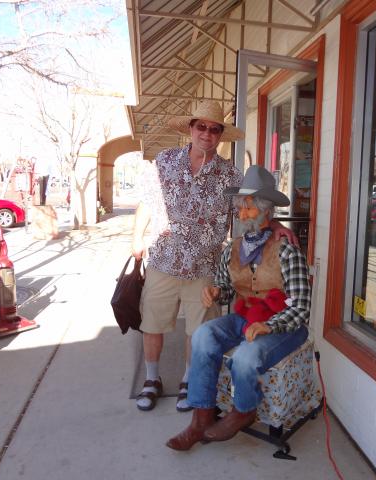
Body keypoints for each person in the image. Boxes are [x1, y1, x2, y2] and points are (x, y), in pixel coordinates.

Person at [132, 101, 296, 413]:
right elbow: (147, 203)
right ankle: (151, 379)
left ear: (220, 135)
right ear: (190, 128)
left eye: (214, 129)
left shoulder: (230, 174)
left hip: (205, 266)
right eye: (201, 127)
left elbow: (249, 209)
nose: (207, 133)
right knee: (152, 323)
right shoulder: (164, 161)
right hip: (163, 260)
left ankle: (188, 381)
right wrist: (136, 237)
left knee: (199, 331)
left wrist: (275, 225)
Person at [165, 165, 311, 450]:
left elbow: (301, 307)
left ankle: (244, 409)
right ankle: (201, 417)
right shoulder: (233, 248)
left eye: (248, 208)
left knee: (246, 356)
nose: (242, 215)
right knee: (203, 335)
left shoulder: (286, 250)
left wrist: (269, 325)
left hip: (285, 325)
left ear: (266, 211)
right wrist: (216, 292)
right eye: (240, 208)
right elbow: (226, 287)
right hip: (245, 318)